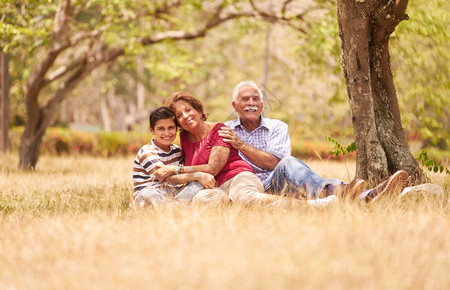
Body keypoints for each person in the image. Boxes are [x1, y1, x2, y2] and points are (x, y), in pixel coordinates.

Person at [218, 81, 409, 201]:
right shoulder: (224, 130)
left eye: (256, 99)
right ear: (235, 106)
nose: (251, 103)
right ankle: (357, 193)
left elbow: (274, 163)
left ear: (261, 104)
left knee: (288, 164)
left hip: (280, 184)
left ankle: (365, 194)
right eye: (245, 99)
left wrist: (241, 144)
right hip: (250, 188)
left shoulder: (277, 127)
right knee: (306, 177)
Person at [154, 91, 305, 206]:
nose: (185, 116)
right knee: (201, 200)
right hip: (215, 187)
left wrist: (175, 169)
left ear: (199, 110)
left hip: (238, 178)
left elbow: (212, 168)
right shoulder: (185, 137)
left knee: (245, 197)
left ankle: (304, 205)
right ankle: (234, 206)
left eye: (188, 110)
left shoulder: (219, 130)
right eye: (179, 115)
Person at [133, 106, 216, 207]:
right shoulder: (147, 152)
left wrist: (199, 178)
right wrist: (197, 175)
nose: (167, 133)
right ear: (152, 130)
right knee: (151, 194)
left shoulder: (177, 150)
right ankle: (174, 206)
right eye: (161, 129)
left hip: (172, 193)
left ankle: (175, 205)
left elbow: (182, 173)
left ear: (176, 129)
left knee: (197, 185)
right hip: (149, 194)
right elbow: (167, 178)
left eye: (171, 128)